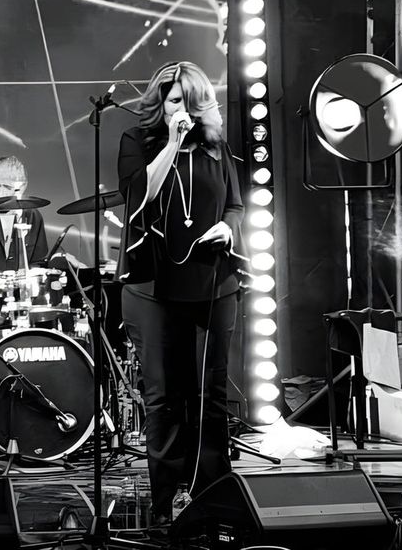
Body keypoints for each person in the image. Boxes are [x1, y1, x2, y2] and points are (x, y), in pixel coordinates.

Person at [116, 61, 243, 523]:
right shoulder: (137, 141)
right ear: (160, 103)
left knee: (209, 394)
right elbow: (138, 196)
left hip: (212, 282)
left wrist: (228, 229)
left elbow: (235, 204)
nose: (182, 112)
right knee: (164, 396)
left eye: (190, 104)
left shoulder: (216, 147)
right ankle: (166, 501)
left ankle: (214, 494)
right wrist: (172, 142)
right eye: (174, 103)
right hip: (153, 285)